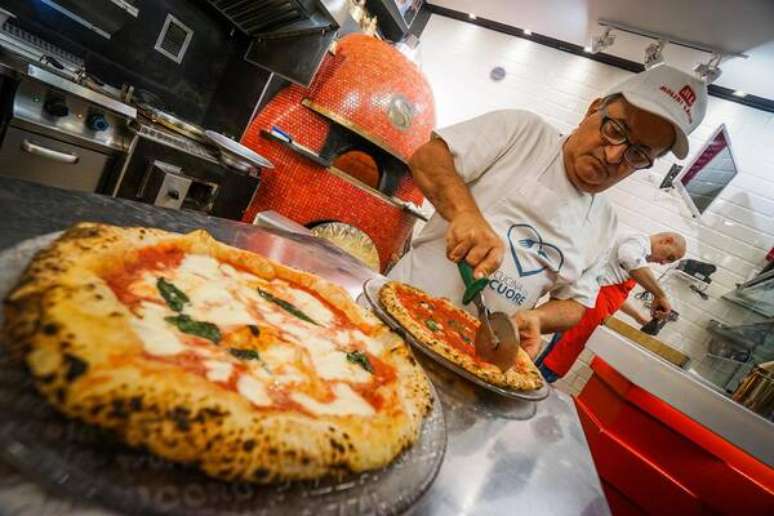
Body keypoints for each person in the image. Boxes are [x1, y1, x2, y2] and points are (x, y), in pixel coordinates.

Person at [388, 65, 707, 357]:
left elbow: (576, 304)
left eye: (637, 154)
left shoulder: (605, 223)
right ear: (593, 110)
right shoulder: (523, 133)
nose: (613, 155)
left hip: (470, 355)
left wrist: (536, 318)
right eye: (616, 130)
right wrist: (465, 214)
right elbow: (428, 158)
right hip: (396, 310)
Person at [535, 232, 687, 382]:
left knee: (551, 358)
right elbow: (629, 259)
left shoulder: (638, 260)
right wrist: (660, 295)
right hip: (585, 312)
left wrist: (638, 317)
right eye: (670, 257)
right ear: (667, 240)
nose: (664, 263)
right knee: (552, 366)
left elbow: (612, 296)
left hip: (592, 311)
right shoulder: (637, 242)